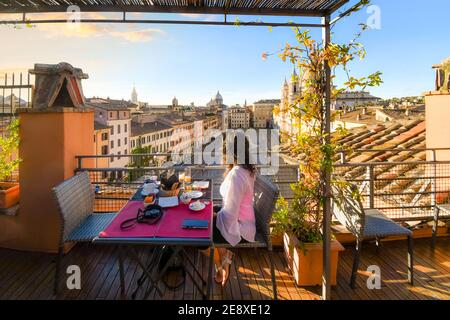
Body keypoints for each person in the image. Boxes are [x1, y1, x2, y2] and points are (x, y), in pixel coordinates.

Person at [212, 135, 256, 285]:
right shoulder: (247, 170)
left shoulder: (237, 174)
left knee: (200, 237)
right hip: (246, 222)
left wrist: (215, 215)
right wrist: (214, 213)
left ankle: (220, 266)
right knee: (206, 213)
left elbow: (230, 214)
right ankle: (225, 255)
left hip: (239, 227)